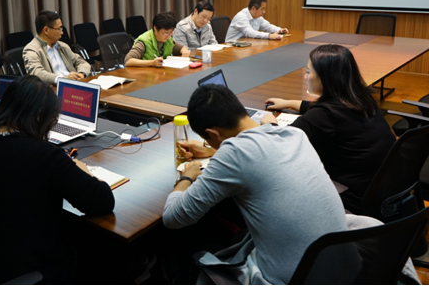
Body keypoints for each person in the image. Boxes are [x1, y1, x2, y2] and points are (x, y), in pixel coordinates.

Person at [163, 85, 348, 284]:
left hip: (296, 278)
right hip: (345, 264)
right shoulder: (295, 135)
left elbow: (173, 218)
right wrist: (213, 150)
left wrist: (186, 178)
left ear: (213, 134)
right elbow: (255, 156)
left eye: (208, 140)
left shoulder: (233, 155)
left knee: (187, 247)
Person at [0, 75, 115, 284]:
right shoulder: (45, 155)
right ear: (40, 116)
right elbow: (102, 202)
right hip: (22, 274)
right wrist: (85, 171)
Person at [262, 44, 396, 201]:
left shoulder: (324, 115)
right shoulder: (360, 99)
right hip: (383, 184)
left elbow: (281, 143)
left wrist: (269, 124)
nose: (305, 77)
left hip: (353, 194)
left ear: (325, 78)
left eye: (308, 72)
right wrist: (289, 103)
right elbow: (324, 110)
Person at [23, 10, 91, 84]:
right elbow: (37, 73)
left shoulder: (63, 46)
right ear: (46, 30)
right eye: (59, 28)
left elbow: (81, 62)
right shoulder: (31, 50)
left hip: (73, 84)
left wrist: (81, 73)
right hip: (52, 88)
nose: (62, 32)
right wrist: (63, 79)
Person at [124, 11, 191, 67]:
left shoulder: (168, 40)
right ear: (155, 28)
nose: (168, 36)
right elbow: (128, 61)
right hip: (145, 75)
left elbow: (182, 48)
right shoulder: (144, 41)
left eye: (171, 33)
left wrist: (185, 51)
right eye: (165, 33)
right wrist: (151, 63)